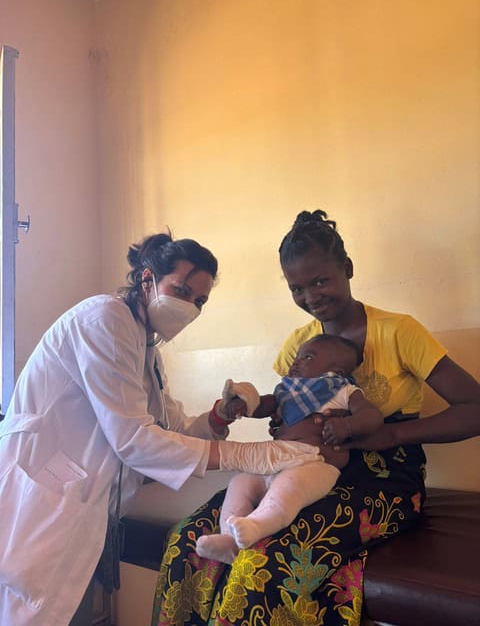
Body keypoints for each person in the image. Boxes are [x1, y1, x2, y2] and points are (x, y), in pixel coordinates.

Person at [152, 210, 480, 626]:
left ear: (348, 268)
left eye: (320, 281)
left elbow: (474, 409)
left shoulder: (399, 331)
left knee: (262, 562)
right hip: (300, 466)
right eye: (297, 288)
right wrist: (264, 417)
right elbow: (280, 411)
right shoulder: (299, 346)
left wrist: (391, 433)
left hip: (383, 478)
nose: (311, 296)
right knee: (187, 539)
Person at [0, 232, 321, 626]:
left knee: (57, 610)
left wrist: (219, 417)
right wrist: (245, 455)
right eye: (182, 291)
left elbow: (171, 429)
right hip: (40, 498)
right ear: (148, 279)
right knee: (26, 609)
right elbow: (134, 440)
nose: (189, 307)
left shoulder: (146, 348)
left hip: (80, 505)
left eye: (199, 301)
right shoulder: (104, 320)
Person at [195, 333, 384, 564]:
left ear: (336, 371)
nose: (296, 362)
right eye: (297, 357)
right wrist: (244, 404)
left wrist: (346, 426)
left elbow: (371, 415)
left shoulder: (344, 391)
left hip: (314, 465)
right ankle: (229, 540)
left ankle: (256, 526)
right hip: (276, 460)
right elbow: (264, 405)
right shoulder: (287, 390)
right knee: (240, 482)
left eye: (308, 357)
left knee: (289, 488)